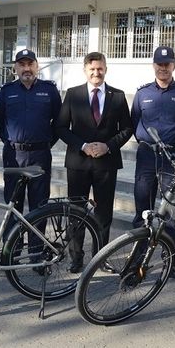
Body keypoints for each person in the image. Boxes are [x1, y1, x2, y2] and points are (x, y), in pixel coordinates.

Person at [56, 51, 133, 274]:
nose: (96, 73)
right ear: (85, 70)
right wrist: (83, 146)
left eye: (100, 69)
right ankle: (76, 258)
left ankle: (100, 257)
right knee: (76, 212)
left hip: (106, 164)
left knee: (104, 214)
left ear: (105, 69)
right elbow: (61, 127)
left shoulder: (117, 96)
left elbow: (127, 129)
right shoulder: (73, 94)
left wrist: (108, 145)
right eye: (92, 69)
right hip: (78, 163)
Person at [131, 46, 175, 279]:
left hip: (173, 158)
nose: (163, 68)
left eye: (167, 64)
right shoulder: (142, 93)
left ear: (174, 66)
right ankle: (137, 259)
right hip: (147, 156)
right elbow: (135, 123)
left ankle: (172, 260)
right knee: (143, 209)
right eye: (159, 64)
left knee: (172, 211)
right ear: (154, 66)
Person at [0, 49, 62, 250]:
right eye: (22, 65)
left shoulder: (49, 91)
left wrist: (45, 143)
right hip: (14, 156)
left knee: (39, 206)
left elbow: (59, 122)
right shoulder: (7, 91)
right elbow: (0, 123)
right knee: (12, 204)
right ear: (15, 68)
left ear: (37, 66)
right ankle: (12, 250)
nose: (26, 69)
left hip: (40, 156)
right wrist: (12, 142)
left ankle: (36, 251)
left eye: (30, 64)